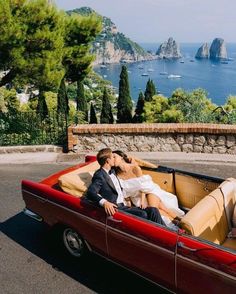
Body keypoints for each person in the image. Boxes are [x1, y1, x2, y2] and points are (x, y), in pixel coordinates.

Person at [86, 148, 165, 225]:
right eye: (113, 157)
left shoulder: (112, 170)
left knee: (153, 210)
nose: (114, 158)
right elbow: (91, 192)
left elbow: (124, 166)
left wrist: (127, 160)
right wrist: (105, 203)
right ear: (108, 161)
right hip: (116, 208)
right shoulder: (99, 175)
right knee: (143, 214)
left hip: (124, 206)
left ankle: (168, 233)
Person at [112, 150, 185, 229]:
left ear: (121, 157)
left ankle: (177, 223)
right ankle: (177, 222)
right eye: (111, 157)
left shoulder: (135, 168)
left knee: (153, 208)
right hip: (136, 197)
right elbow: (125, 192)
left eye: (114, 156)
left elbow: (143, 185)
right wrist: (130, 203)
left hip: (148, 191)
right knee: (162, 208)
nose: (113, 159)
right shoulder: (117, 175)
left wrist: (143, 200)